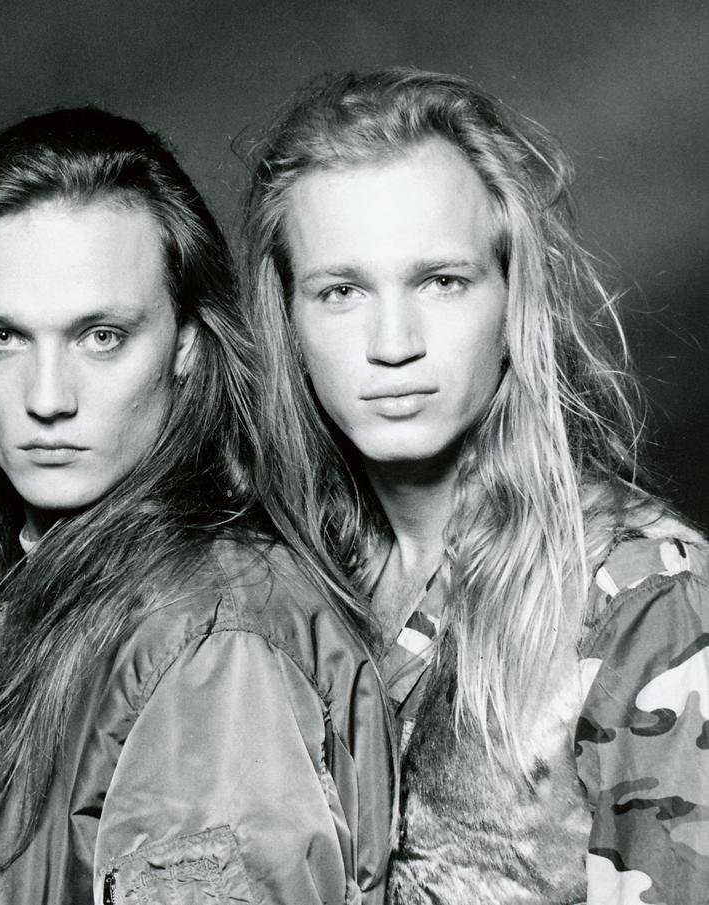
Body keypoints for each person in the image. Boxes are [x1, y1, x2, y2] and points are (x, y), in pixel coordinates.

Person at [0, 107, 393, 905]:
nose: (47, 397)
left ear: (187, 342)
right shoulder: (41, 582)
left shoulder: (212, 648)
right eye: (3, 337)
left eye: (101, 336)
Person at [243, 67, 709, 904]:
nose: (393, 343)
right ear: (290, 321)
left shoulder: (644, 597)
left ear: (512, 301)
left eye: (442, 281)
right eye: (341, 291)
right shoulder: (277, 583)